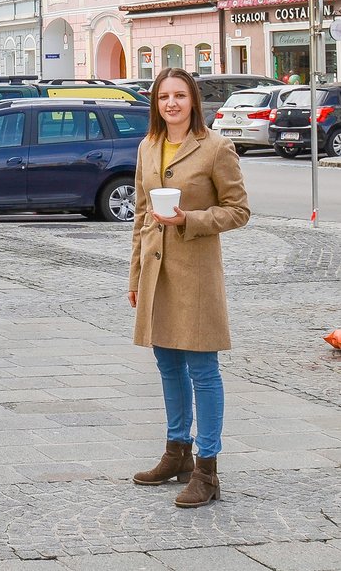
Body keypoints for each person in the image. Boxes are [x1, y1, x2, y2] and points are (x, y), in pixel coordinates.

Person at [128, 67, 249, 508]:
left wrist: (189, 221)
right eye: (164, 97)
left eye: (180, 95)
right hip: (156, 275)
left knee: (202, 369)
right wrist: (135, 275)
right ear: (156, 104)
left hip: (197, 275)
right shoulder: (148, 146)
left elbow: (238, 210)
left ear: (194, 101)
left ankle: (207, 468)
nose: (172, 104)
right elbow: (142, 217)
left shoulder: (216, 148)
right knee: (167, 365)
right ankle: (176, 452)